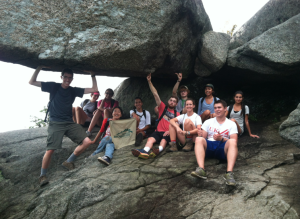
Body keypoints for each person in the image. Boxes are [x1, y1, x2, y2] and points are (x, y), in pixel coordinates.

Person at [29, 66, 98, 186]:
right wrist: (39, 68)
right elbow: (32, 82)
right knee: (51, 149)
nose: (67, 79)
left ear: (72, 79)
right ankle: (42, 176)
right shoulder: (53, 86)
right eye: (65, 77)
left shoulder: (73, 90)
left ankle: (69, 161)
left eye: (70, 78)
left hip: (69, 122)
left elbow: (94, 89)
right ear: (61, 77)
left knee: (87, 141)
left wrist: (92, 74)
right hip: (55, 122)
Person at [131, 73, 180, 159]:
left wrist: (170, 131)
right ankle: (145, 151)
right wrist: (149, 82)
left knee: (164, 140)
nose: (172, 102)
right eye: (170, 100)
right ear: (168, 101)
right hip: (158, 131)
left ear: (176, 104)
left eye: (174, 101)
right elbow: (155, 94)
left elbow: (178, 125)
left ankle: (158, 150)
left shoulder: (177, 114)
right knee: (150, 139)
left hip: (167, 132)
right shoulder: (162, 108)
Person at [191, 100, 238, 186]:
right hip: (210, 145)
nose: (217, 110)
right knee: (198, 139)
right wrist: (200, 134)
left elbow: (234, 141)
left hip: (222, 147)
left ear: (225, 109)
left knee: (232, 142)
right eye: (215, 108)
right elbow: (203, 138)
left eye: (219, 107)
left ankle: (229, 173)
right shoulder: (208, 122)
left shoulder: (231, 124)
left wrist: (222, 139)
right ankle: (201, 169)